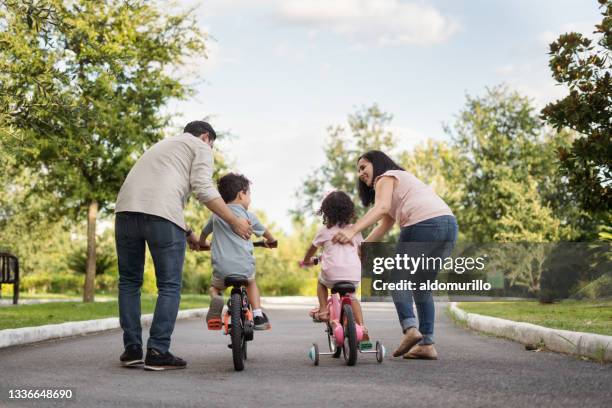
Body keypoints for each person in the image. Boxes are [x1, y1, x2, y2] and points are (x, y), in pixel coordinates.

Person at [114, 121, 252, 371]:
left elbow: (160, 195)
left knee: (129, 282)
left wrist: (188, 233)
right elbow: (202, 187)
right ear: (206, 136)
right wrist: (234, 221)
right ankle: (157, 350)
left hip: (125, 212)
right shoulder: (201, 146)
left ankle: (132, 349)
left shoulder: (163, 146)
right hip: (162, 217)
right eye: (212, 143)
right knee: (168, 285)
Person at [332, 150, 458, 360]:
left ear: (377, 163)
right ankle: (427, 344)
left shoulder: (386, 176)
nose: (360, 173)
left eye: (363, 167)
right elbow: (386, 221)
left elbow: (381, 208)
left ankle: (410, 328)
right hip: (448, 225)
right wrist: (364, 246)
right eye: (358, 170)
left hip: (422, 224)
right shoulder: (403, 183)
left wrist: (351, 230)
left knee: (398, 279)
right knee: (421, 287)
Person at [199, 173, 276, 331]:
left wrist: (202, 244)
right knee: (251, 282)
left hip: (221, 270)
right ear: (242, 194)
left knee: (215, 287)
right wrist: (272, 241)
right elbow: (267, 234)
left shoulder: (216, 215)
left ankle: (216, 299)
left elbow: (204, 233)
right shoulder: (249, 216)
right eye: (249, 194)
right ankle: (257, 314)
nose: (250, 199)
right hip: (244, 268)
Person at [300, 190, 368, 337]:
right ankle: (362, 327)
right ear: (349, 210)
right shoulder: (354, 230)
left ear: (326, 212)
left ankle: (324, 310)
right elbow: (363, 252)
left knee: (321, 283)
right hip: (352, 275)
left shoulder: (324, 231)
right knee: (352, 297)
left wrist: (306, 261)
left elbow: (311, 250)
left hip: (332, 275)